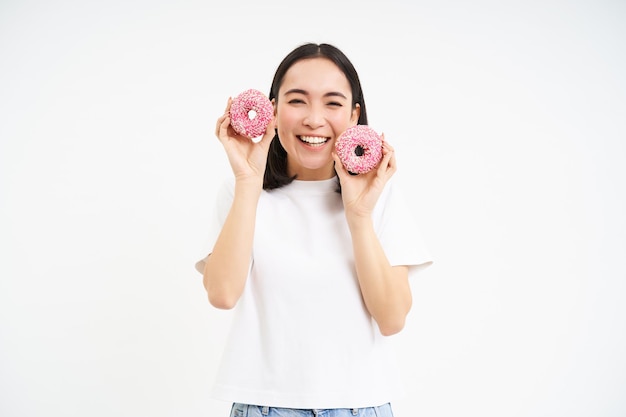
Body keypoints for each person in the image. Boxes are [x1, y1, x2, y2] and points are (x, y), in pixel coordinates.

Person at [195, 42, 433, 417]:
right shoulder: (242, 191)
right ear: (272, 109)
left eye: (333, 103)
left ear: (354, 115)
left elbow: (391, 319)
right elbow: (222, 294)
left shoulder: (380, 196)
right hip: (264, 405)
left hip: (360, 405)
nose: (314, 119)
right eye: (297, 100)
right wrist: (247, 181)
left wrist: (358, 216)